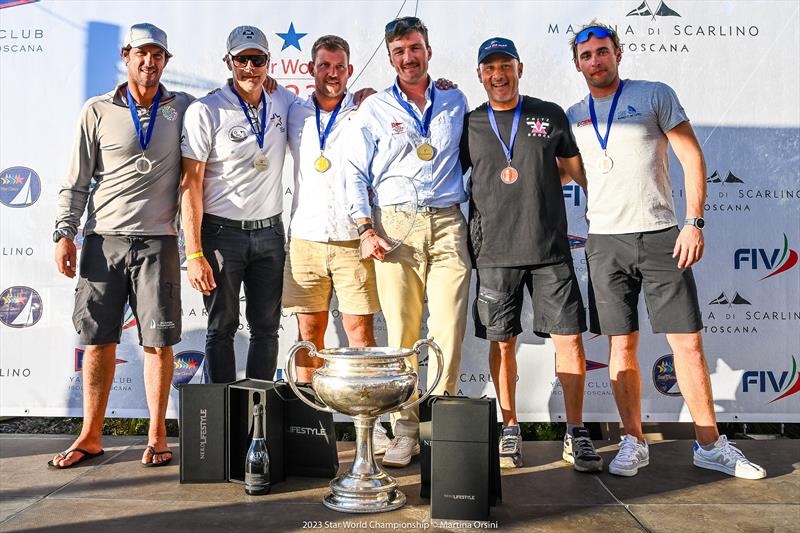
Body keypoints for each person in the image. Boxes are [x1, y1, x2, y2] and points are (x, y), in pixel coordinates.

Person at [565, 22, 766, 479]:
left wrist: (694, 222)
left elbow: (692, 156)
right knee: (621, 346)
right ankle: (633, 441)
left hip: (660, 235)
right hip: (606, 243)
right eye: (586, 55)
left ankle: (710, 445)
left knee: (688, 345)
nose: (595, 61)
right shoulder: (574, 114)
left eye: (602, 51)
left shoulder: (655, 94)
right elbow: (572, 173)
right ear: (577, 64)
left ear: (618, 53)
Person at [51, 23, 192, 468]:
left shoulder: (184, 108)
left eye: (157, 55)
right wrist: (63, 233)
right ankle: (90, 435)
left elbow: (233, 105)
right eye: (141, 54)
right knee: (97, 342)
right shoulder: (96, 111)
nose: (149, 62)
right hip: (102, 242)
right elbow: (75, 182)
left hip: (160, 243)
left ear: (166, 61)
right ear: (125, 56)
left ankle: (156, 434)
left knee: (158, 344)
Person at [460, 38, 602, 471]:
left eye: (505, 65)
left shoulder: (549, 114)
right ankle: (509, 427)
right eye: (490, 67)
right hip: (494, 253)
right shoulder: (469, 124)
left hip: (549, 250)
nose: (498, 74)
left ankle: (575, 432)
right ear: (480, 74)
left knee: (570, 342)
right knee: (502, 344)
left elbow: (578, 172)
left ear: (520, 68)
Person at [345, 16, 470, 468]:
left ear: (429, 51)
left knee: (449, 330)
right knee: (401, 336)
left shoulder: (456, 99)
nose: (408, 58)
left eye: (415, 48)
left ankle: (445, 430)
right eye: (398, 52)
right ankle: (406, 430)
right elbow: (354, 173)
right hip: (395, 227)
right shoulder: (374, 107)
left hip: (449, 221)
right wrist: (365, 228)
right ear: (390, 57)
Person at [284, 34, 389, 453]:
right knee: (310, 337)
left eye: (340, 66)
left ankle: (372, 428)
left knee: (360, 334)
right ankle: (311, 427)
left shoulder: (366, 107)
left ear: (349, 69)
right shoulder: (291, 111)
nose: (332, 73)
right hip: (305, 238)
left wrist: (447, 86)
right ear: (311, 69)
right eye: (324, 65)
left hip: (352, 239)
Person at [181, 26, 298, 383]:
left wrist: (364, 96)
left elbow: (328, 103)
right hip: (221, 235)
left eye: (257, 59)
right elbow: (190, 186)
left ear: (269, 62)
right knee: (221, 328)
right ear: (229, 62)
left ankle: (258, 424)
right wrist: (194, 253)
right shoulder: (206, 110)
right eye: (242, 59)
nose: (250, 67)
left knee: (267, 330)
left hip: (270, 235)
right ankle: (225, 422)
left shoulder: (284, 100)